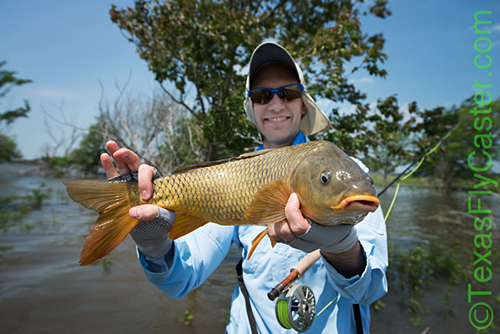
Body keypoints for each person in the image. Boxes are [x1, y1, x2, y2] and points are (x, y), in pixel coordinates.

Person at [101, 42, 388, 333]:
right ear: (252, 108)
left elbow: (370, 290)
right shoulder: (231, 177)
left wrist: (343, 248)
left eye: (287, 93)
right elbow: (181, 280)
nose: (276, 104)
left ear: (303, 104)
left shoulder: (350, 174)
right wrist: (154, 244)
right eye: (262, 95)